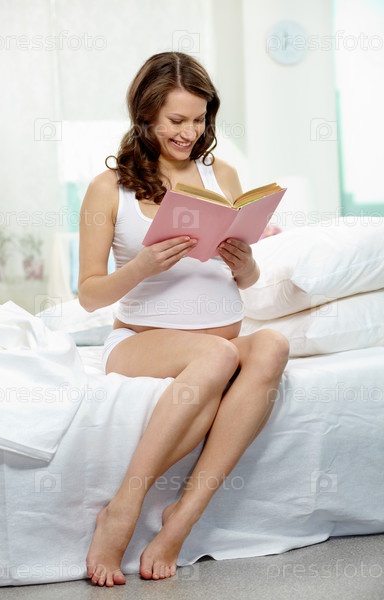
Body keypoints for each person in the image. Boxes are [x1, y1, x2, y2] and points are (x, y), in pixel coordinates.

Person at [78, 51, 289, 587]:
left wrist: (245, 264)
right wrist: (143, 266)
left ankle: (183, 516)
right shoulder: (109, 188)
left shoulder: (222, 174)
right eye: (176, 120)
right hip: (141, 341)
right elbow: (88, 296)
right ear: (146, 114)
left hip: (220, 342)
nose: (189, 132)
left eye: (199, 119)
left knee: (272, 345)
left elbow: (246, 280)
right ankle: (125, 507)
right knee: (217, 355)